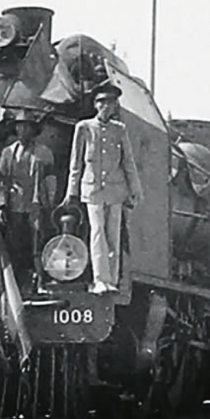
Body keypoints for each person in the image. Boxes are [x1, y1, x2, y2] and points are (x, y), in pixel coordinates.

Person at [63, 85, 142, 294]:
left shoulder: (119, 130)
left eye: (111, 103)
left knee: (112, 235)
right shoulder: (84, 127)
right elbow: (76, 163)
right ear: (96, 105)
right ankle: (100, 280)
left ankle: (112, 281)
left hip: (116, 190)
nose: (107, 107)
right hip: (92, 190)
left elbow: (128, 162)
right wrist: (71, 192)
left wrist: (135, 189)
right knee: (97, 233)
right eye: (103, 102)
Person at [0, 110, 56, 293]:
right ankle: (15, 286)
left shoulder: (44, 152)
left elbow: (51, 179)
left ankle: (40, 282)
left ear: (33, 130)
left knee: (37, 243)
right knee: (14, 245)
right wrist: (0, 206)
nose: (23, 131)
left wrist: (49, 202)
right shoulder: (7, 153)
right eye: (20, 127)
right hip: (15, 205)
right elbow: (1, 181)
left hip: (36, 205)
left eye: (27, 127)